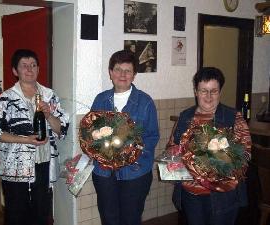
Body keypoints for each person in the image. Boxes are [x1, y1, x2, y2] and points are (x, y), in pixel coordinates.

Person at [0, 49, 70, 225]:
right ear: (15, 71)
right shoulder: (5, 99)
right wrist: (25, 140)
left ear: (38, 69)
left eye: (33, 65)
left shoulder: (49, 96)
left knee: (41, 215)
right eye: (24, 66)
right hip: (15, 169)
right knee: (16, 216)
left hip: (44, 165)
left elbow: (61, 130)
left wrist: (48, 115)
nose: (29, 69)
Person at [170, 67, 251, 225]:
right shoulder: (185, 117)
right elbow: (172, 146)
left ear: (220, 92)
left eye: (213, 91)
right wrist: (174, 159)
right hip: (191, 195)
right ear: (196, 91)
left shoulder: (233, 117)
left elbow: (245, 155)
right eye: (203, 91)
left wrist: (219, 165)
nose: (208, 96)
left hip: (223, 197)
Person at [91, 50, 160, 225]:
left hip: (135, 173)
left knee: (130, 219)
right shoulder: (100, 100)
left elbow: (152, 137)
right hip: (104, 173)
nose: (122, 74)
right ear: (110, 72)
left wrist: (131, 152)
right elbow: (90, 133)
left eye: (128, 70)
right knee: (109, 219)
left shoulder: (145, 102)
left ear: (134, 75)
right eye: (118, 69)